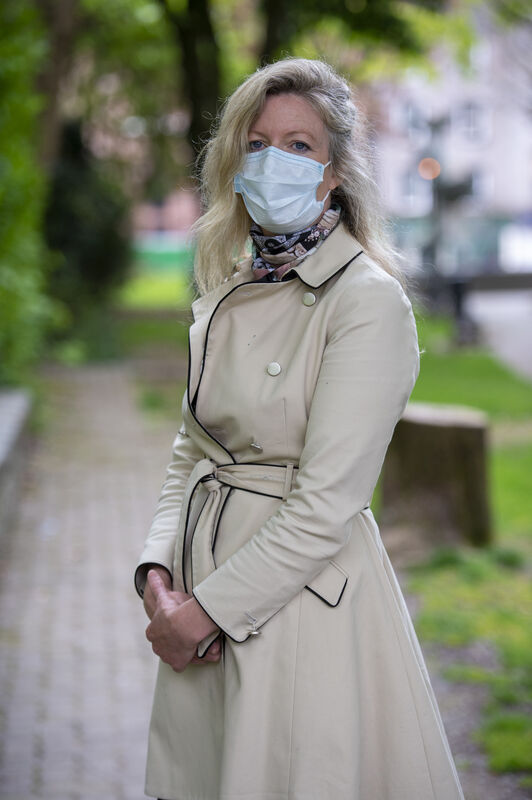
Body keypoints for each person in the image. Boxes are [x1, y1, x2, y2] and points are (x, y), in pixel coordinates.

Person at [135, 57, 465, 800]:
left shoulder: (367, 303)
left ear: (333, 173)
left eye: (298, 146)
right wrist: (157, 575)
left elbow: (326, 503)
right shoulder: (228, 290)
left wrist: (209, 613)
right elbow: (192, 449)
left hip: (298, 607)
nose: (272, 162)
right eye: (255, 144)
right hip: (197, 591)